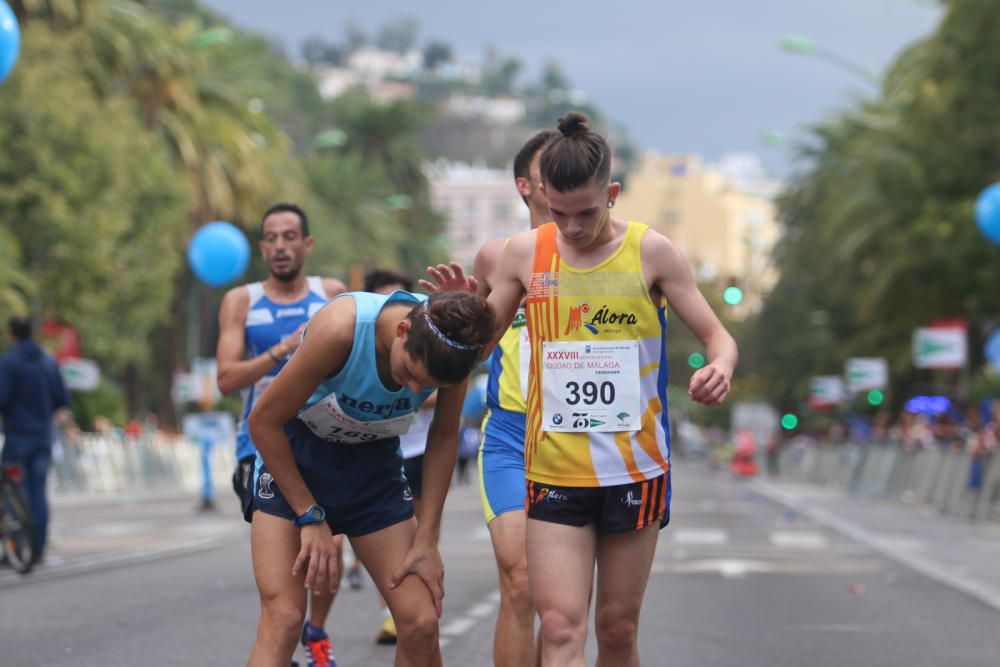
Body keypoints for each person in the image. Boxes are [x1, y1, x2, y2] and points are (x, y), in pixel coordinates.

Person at [426, 112, 737, 666]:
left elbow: (718, 336)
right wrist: (452, 313)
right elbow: (480, 342)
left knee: (616, 631)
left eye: (587, 213)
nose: (571, 228)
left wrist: (720, 367)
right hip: (553, 468)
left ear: (612, 193)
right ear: (542, 194)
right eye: (560, 212)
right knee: (563, 628)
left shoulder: (652, 252)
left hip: (634, 470)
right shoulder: (525, 254)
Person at [246, 288, 495, 667]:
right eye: (411, 373)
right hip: (296, 463)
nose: (412, 390)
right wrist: (309, 515)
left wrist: (427, 540)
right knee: (284, 619)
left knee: (421, 622)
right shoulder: (341, 329)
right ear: (402, 330)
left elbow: (444, 435)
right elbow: (263, 422)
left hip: (372, 470)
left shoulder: (456, 351)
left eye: (425, 386)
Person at [216, 203, 345, 667]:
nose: (281, 246)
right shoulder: (242, 301)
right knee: (285, 577)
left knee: (328, 546)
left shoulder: (330, 294)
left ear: (306, 244)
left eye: (290, 236)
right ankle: (287, 635)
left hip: (327, 442)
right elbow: (227, 379)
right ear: (262, 247)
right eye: (271, 238)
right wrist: (284, 349)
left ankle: (316, 632)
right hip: (262, 447)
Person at [471, 129, 558, 667]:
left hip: (573, 441)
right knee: (520, 579)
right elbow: (462, 346)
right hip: (508, 435)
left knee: (560, 598)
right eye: (554, 169)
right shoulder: (495, 257)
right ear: (525, 186)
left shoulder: (603, 260)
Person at [361, 268, 434, 646]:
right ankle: (390, 610)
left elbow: (436, 391)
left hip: (417, 447)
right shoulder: (355, 334)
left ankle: (404, 604)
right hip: (376, 450)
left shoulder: (430, 340)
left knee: (416, 529)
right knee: (381, 531)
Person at [0, 315, 71, 565]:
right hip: (43, 436)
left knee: (12, 491)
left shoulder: (8, 362)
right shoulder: (48, 361)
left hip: (17, 436)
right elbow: (62, 397)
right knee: (38, 492)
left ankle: (16, 547)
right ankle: (39, 548)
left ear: (11, 334)